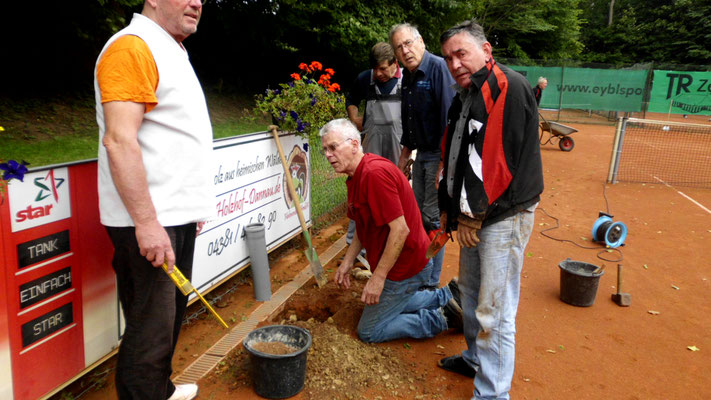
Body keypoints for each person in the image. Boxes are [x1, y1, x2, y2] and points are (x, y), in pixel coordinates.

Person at [94, 1, 212, 399]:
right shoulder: (133, 47)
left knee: (169, 321)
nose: (197, 2)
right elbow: (120, 139)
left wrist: (188, 207)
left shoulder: (169, 47)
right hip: (147, 221)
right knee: (151, 333)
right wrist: (146, 222)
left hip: (171, 216)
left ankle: (161, 390)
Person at [436, 19, 544, 400]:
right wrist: (449, 207)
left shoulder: (507, 86)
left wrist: (470, 215)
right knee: (470, 293)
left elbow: (495, 160)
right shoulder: (468, 92)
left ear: (485, 51)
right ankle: (474, 360)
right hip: (476, 211)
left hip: (502, 215)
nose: (454, 64)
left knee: (494, 311)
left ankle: (494, 394)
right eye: (448, 57)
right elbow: (457, 151)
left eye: (461, 54)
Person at [321, 119, 462, 343]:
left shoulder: (374, 175)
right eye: (325, 150)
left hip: (407, 267)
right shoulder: (355, 176)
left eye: (333, 147)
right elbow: (362, 224)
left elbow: (400, 231)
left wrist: (378, 278)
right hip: (402, 265)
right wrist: (348, 261)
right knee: (391, 301)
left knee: (369, 331)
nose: (328, 155)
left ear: (355, 145)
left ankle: (442, 318)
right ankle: (447, 295)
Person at [390, 23, 456, 289]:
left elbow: (449, 118)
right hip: (422, 155)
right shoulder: (407, 76)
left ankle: (429, 283)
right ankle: (423, 273)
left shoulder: (439, 67)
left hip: (438, 155)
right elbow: (410, 123)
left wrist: (444, 165)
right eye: (399, 47)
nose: (405, 51)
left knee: (431, 218)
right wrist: (403, 160)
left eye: (408, 43)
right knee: (417, 216)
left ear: (421, 42)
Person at [346, 42, 404, 164]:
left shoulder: (406, 80)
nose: (378, 73)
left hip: (399, 145)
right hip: (371, 145)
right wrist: (354, 119)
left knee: (396, 180)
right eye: (375, 69)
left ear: (395, 63)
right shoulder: (365, 78)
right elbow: (352, 99)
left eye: (383, 69)